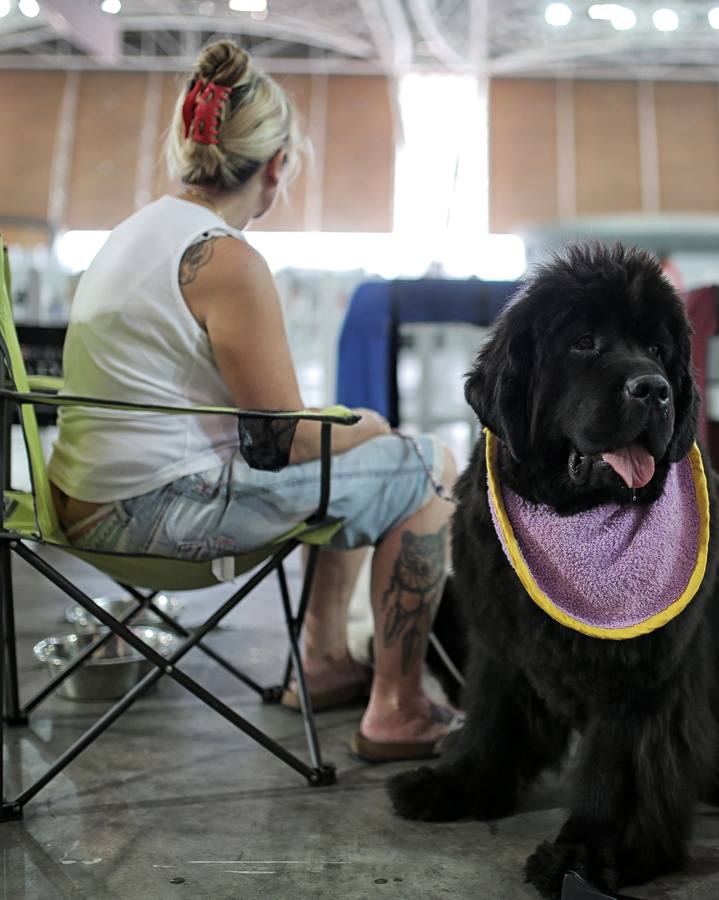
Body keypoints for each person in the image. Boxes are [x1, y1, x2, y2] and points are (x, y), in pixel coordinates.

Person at [47, 40, 458, 761]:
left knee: (360, 468)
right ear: (275, 168)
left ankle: (325, 660)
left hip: (79, 503)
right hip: (153, 516)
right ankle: (396, 708)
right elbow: (285, 444)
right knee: (423, 465)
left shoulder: (132, 234)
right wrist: (365, 427)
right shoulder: (226, 258)